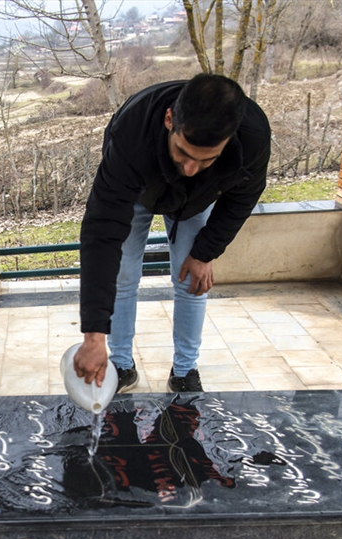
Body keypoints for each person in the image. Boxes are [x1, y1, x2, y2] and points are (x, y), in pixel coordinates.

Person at [74, 73, 271, 393]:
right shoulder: (131, 133)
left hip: (197, 201)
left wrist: (205, 251)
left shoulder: (253, 138)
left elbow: (242, 198)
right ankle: (121, 364)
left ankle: (185, 370)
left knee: (193, 280)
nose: (191, 168)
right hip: (139, 190)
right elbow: (102, 230)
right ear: (169, 120)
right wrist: (93, 336)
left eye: (206, 158)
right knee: (123, 275)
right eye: (183, 152)